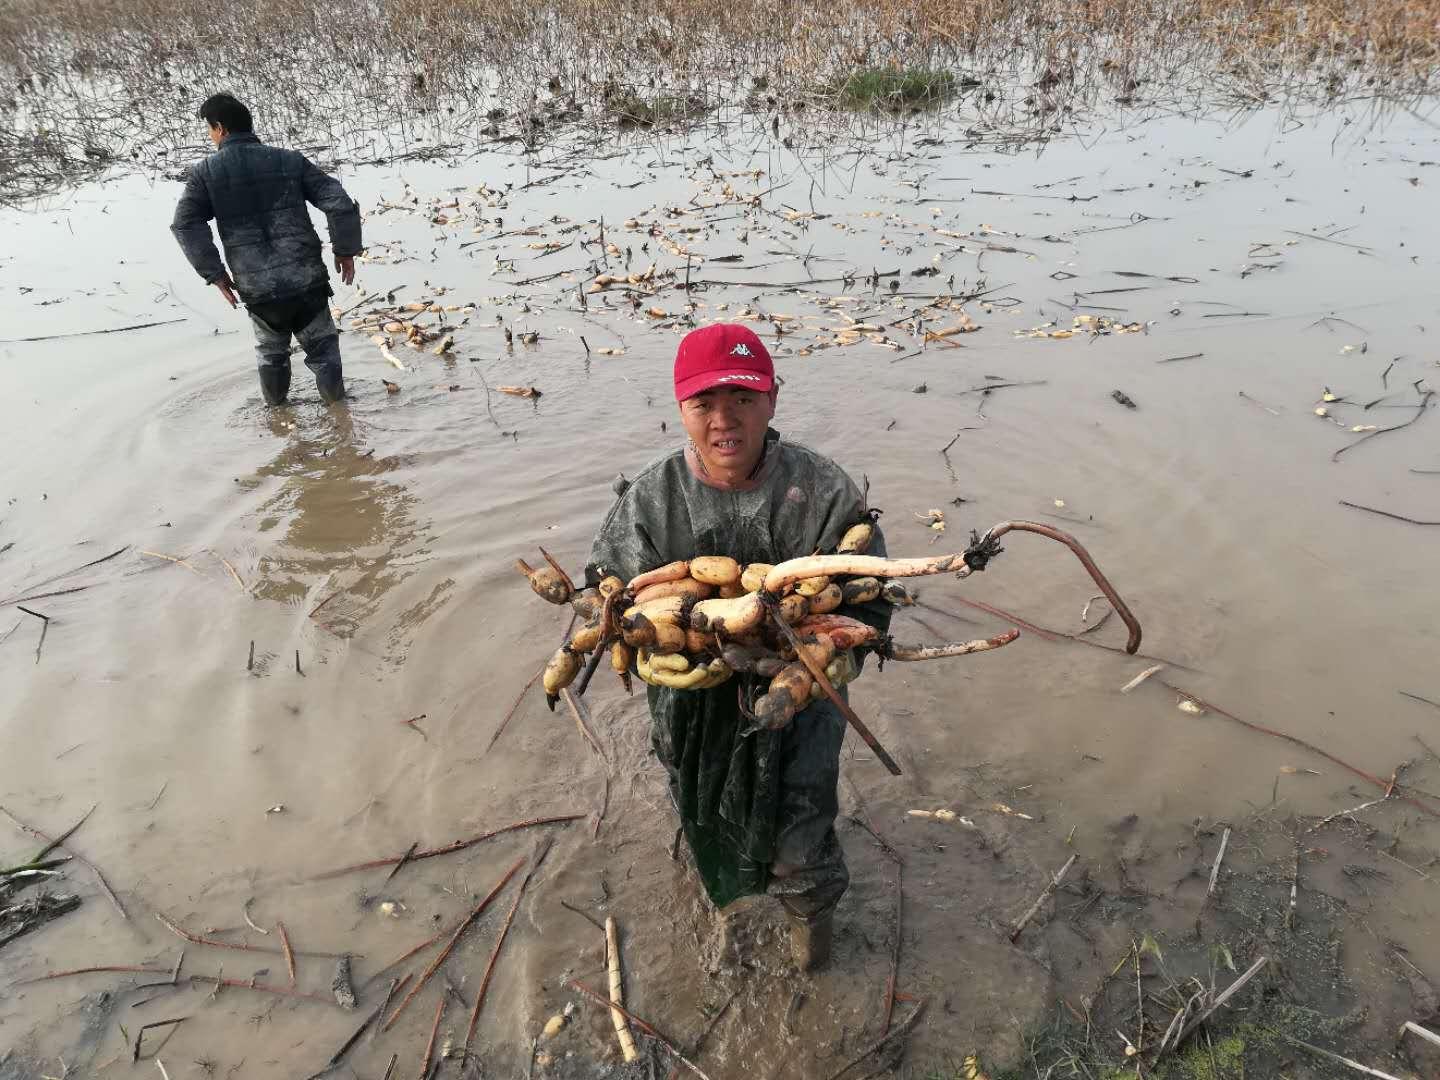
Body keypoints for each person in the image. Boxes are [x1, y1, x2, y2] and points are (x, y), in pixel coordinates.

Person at [586, 323, 890, 971]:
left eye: (743, 398)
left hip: (800, 691)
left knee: (803, 829)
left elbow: (872, 599)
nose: (725, 420)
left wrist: (830, 656)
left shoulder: (825, 492)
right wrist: (645, 637)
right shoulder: (650, 502)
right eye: (704, 404)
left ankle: (812, 955)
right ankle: (726, 911)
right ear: (680, 409)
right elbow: (607, 603)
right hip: (691, 704)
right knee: (701, 810)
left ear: (773, 399)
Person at [170, 93, 362, 406]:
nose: (210, 135)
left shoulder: (205, 173)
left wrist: (215, 274)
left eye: (210, 129)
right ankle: (340, 417)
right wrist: (345, 250)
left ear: (221, 128)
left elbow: (185, 225)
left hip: (258, 288)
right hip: (306, 280)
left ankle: (277, 421)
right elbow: (339, 204)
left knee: (271, 354)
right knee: (324, 350)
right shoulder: (289, 160)